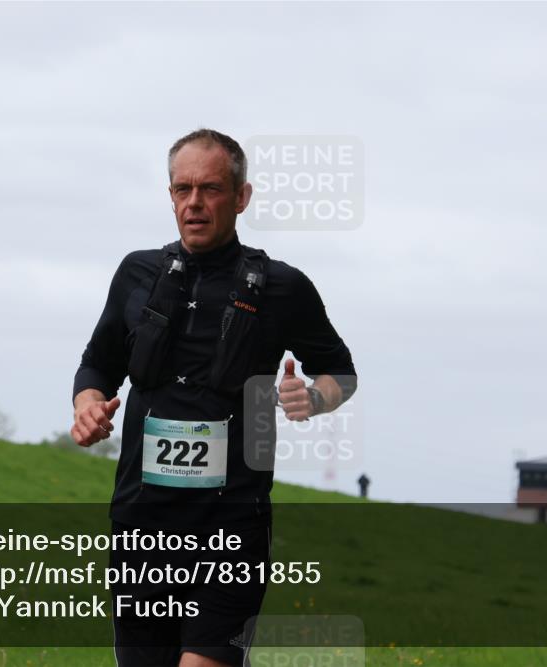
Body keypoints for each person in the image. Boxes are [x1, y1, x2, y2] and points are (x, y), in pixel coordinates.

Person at [71, 129, 357, 667]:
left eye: (210, 189)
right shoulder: (137, 273)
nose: (194, 203)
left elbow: (340, 371)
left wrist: (313, 399)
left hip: (232, 529)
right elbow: (98, 365)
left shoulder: (282, 286)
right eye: (182, 189)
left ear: (242, 197)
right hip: (143, 524)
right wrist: (87, 405)